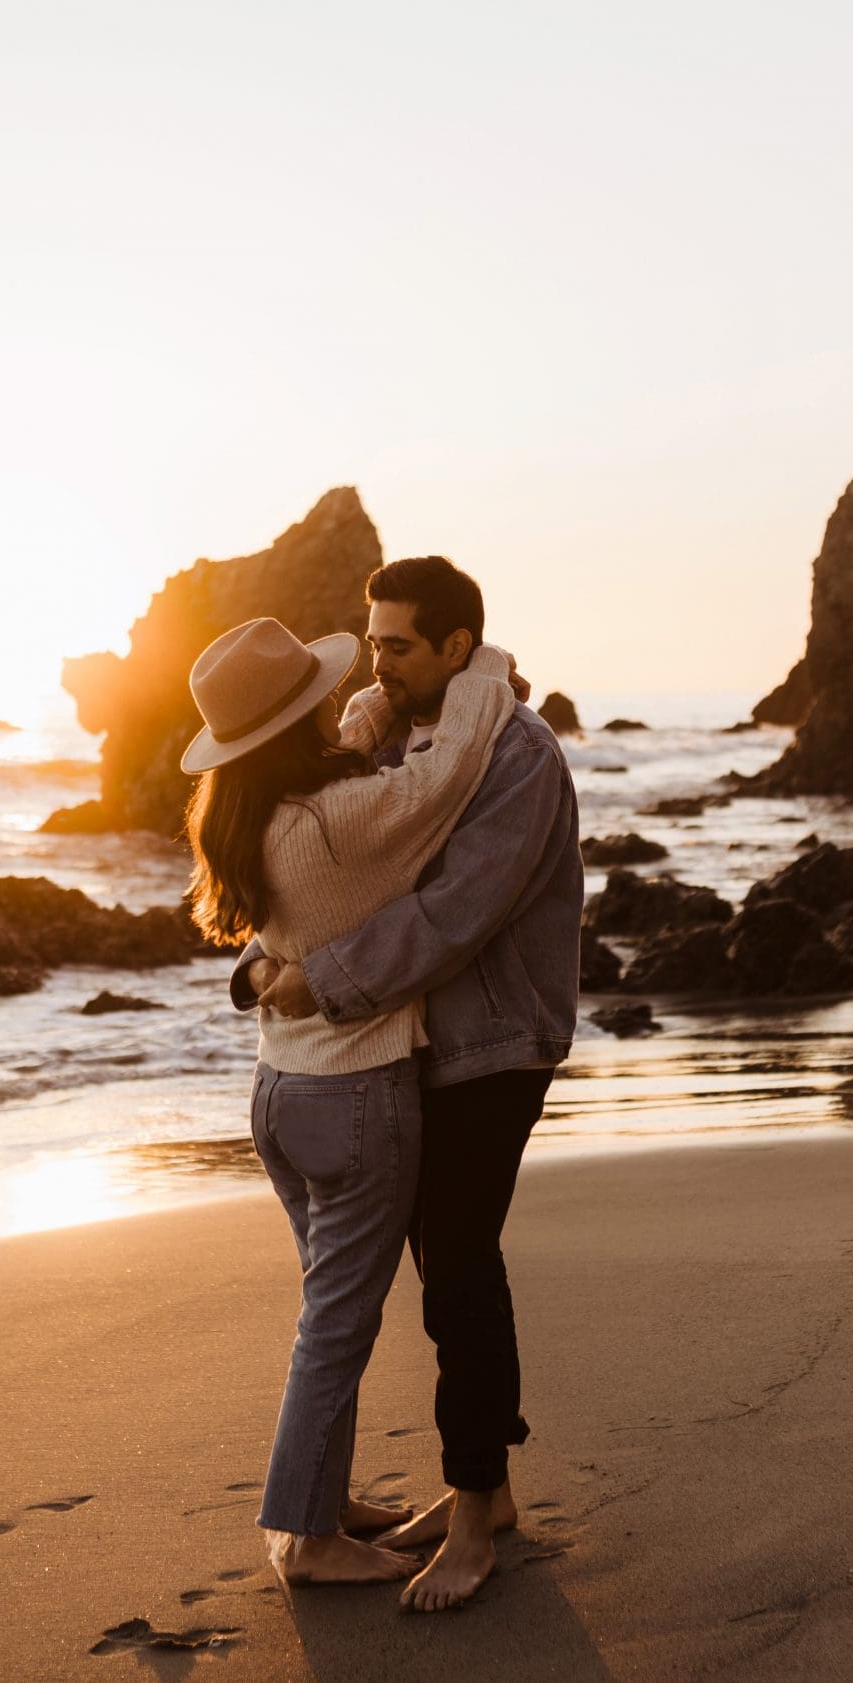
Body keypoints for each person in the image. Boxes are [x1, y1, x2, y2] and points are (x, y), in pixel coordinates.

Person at [233, 556, 584, 1613]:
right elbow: (328, 858)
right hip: (421, 1043)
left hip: (495, 1044)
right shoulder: (417, 732)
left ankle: (475, 1514)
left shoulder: (515, 756)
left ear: (456, 650)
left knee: (460, 1271)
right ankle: (489, 1486)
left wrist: (315, 983)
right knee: (445, 1266)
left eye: (395, 646)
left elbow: (453, 913)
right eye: (371, 640)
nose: (376, 665)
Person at [181, 612, 519, 1587]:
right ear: (301, 722)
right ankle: (304, 1536)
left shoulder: (251, 816)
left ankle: (320, 1504)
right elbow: (448, 769)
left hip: (279, 1095)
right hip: (356, 1098)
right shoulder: (347, 818)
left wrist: (366, 710)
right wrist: (481, 665)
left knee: (325, 1312)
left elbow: (353, 747)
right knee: (336, 1325)